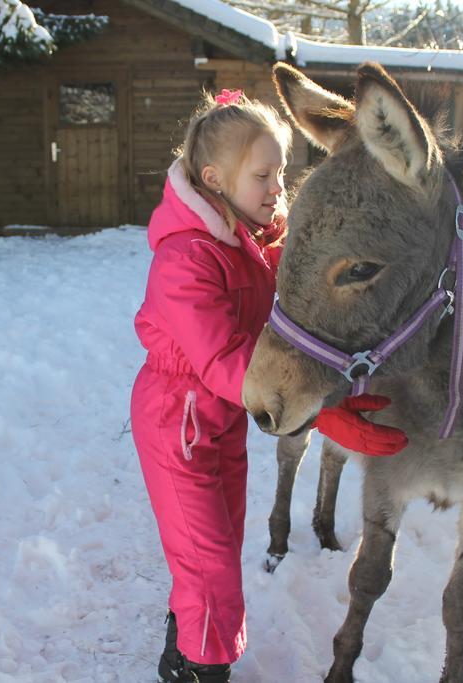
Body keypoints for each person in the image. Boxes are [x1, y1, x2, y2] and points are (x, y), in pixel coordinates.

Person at [130, 88, 406, 683]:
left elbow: (308, 321)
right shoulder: (185, 259)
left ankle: (182, 652)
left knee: (218, 549)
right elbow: (224, 360)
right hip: (176, 422)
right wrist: (316, 414)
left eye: (282, 173)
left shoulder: (256, 241)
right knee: (212, 571)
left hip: (224, 420)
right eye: (263, 175)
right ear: (214, 179)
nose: (278, 188)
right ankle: (204, 671)